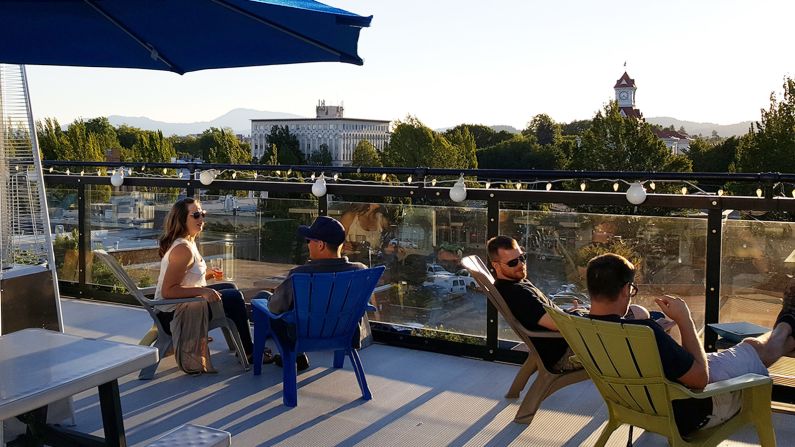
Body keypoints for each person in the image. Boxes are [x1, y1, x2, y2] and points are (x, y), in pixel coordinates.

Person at [585, 253, 795, 437]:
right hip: (692, 409)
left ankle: (787, 327)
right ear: (626, 289)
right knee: (753, 347)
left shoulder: (577, 324)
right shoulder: (644, 333)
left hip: (638, 404)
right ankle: (786, 324)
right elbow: (699, 380)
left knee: (753, 347)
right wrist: (685, 320)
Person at [486, 235, 652, 373]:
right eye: (513, 263)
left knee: (640, 315)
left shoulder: (516, 283)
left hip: (568, 341)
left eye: (522, 258)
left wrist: (575, 311)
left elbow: (550, 318)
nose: (521, 265)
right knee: (641, 317)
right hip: (568, 353)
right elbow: (557, 325)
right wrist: (582, 315)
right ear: (496, 265)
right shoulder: (517, 294)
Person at [253, 216, 366, 371]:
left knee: (263, 298)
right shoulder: (360, 271)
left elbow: (274, 308)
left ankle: (295, 355)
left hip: (303, 336)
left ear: (320, 245)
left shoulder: (301, 274)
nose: (307, 244)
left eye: (308, 240)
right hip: (345, 333)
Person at [154, 197, 255, 371]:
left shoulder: (189, 242)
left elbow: (185, 278)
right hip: (174, 315)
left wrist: (205, 276)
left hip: (182, 305)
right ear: (182, 219)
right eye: (196, 215)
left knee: (230, 289)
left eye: (202, 214)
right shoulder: (182, 250)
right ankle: (249, 351)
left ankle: (245, 345)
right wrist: (204, 292)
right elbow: (168, 291)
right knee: (234, 298)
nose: (201, 219)